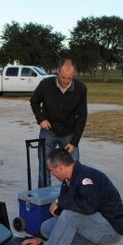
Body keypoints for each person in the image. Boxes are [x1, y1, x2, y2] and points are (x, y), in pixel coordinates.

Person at [20, 149, 123, 245]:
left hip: (111, 230)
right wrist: (40, 238)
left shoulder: (86, 178)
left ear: (60, 167)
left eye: (51, 170)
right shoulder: (68, 180)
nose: (51, 174)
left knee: (69, 216)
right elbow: (65, 212)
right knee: (47, 228)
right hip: (93, 226)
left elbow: (88, 207)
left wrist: (60, 201)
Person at [30, 58, 88, 187]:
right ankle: (44, 198)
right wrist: (40, 119)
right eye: (63, 77)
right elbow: (34, 101)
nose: (65, 81)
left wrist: (74, 142)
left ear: (74, 75)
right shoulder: (45, 84)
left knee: (74, 168)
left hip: (69, 133)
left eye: (69, 78)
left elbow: (82, 116)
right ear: (58, 72)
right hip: (48, 131)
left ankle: (74, 198)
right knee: (44, 167)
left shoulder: (80, 89)